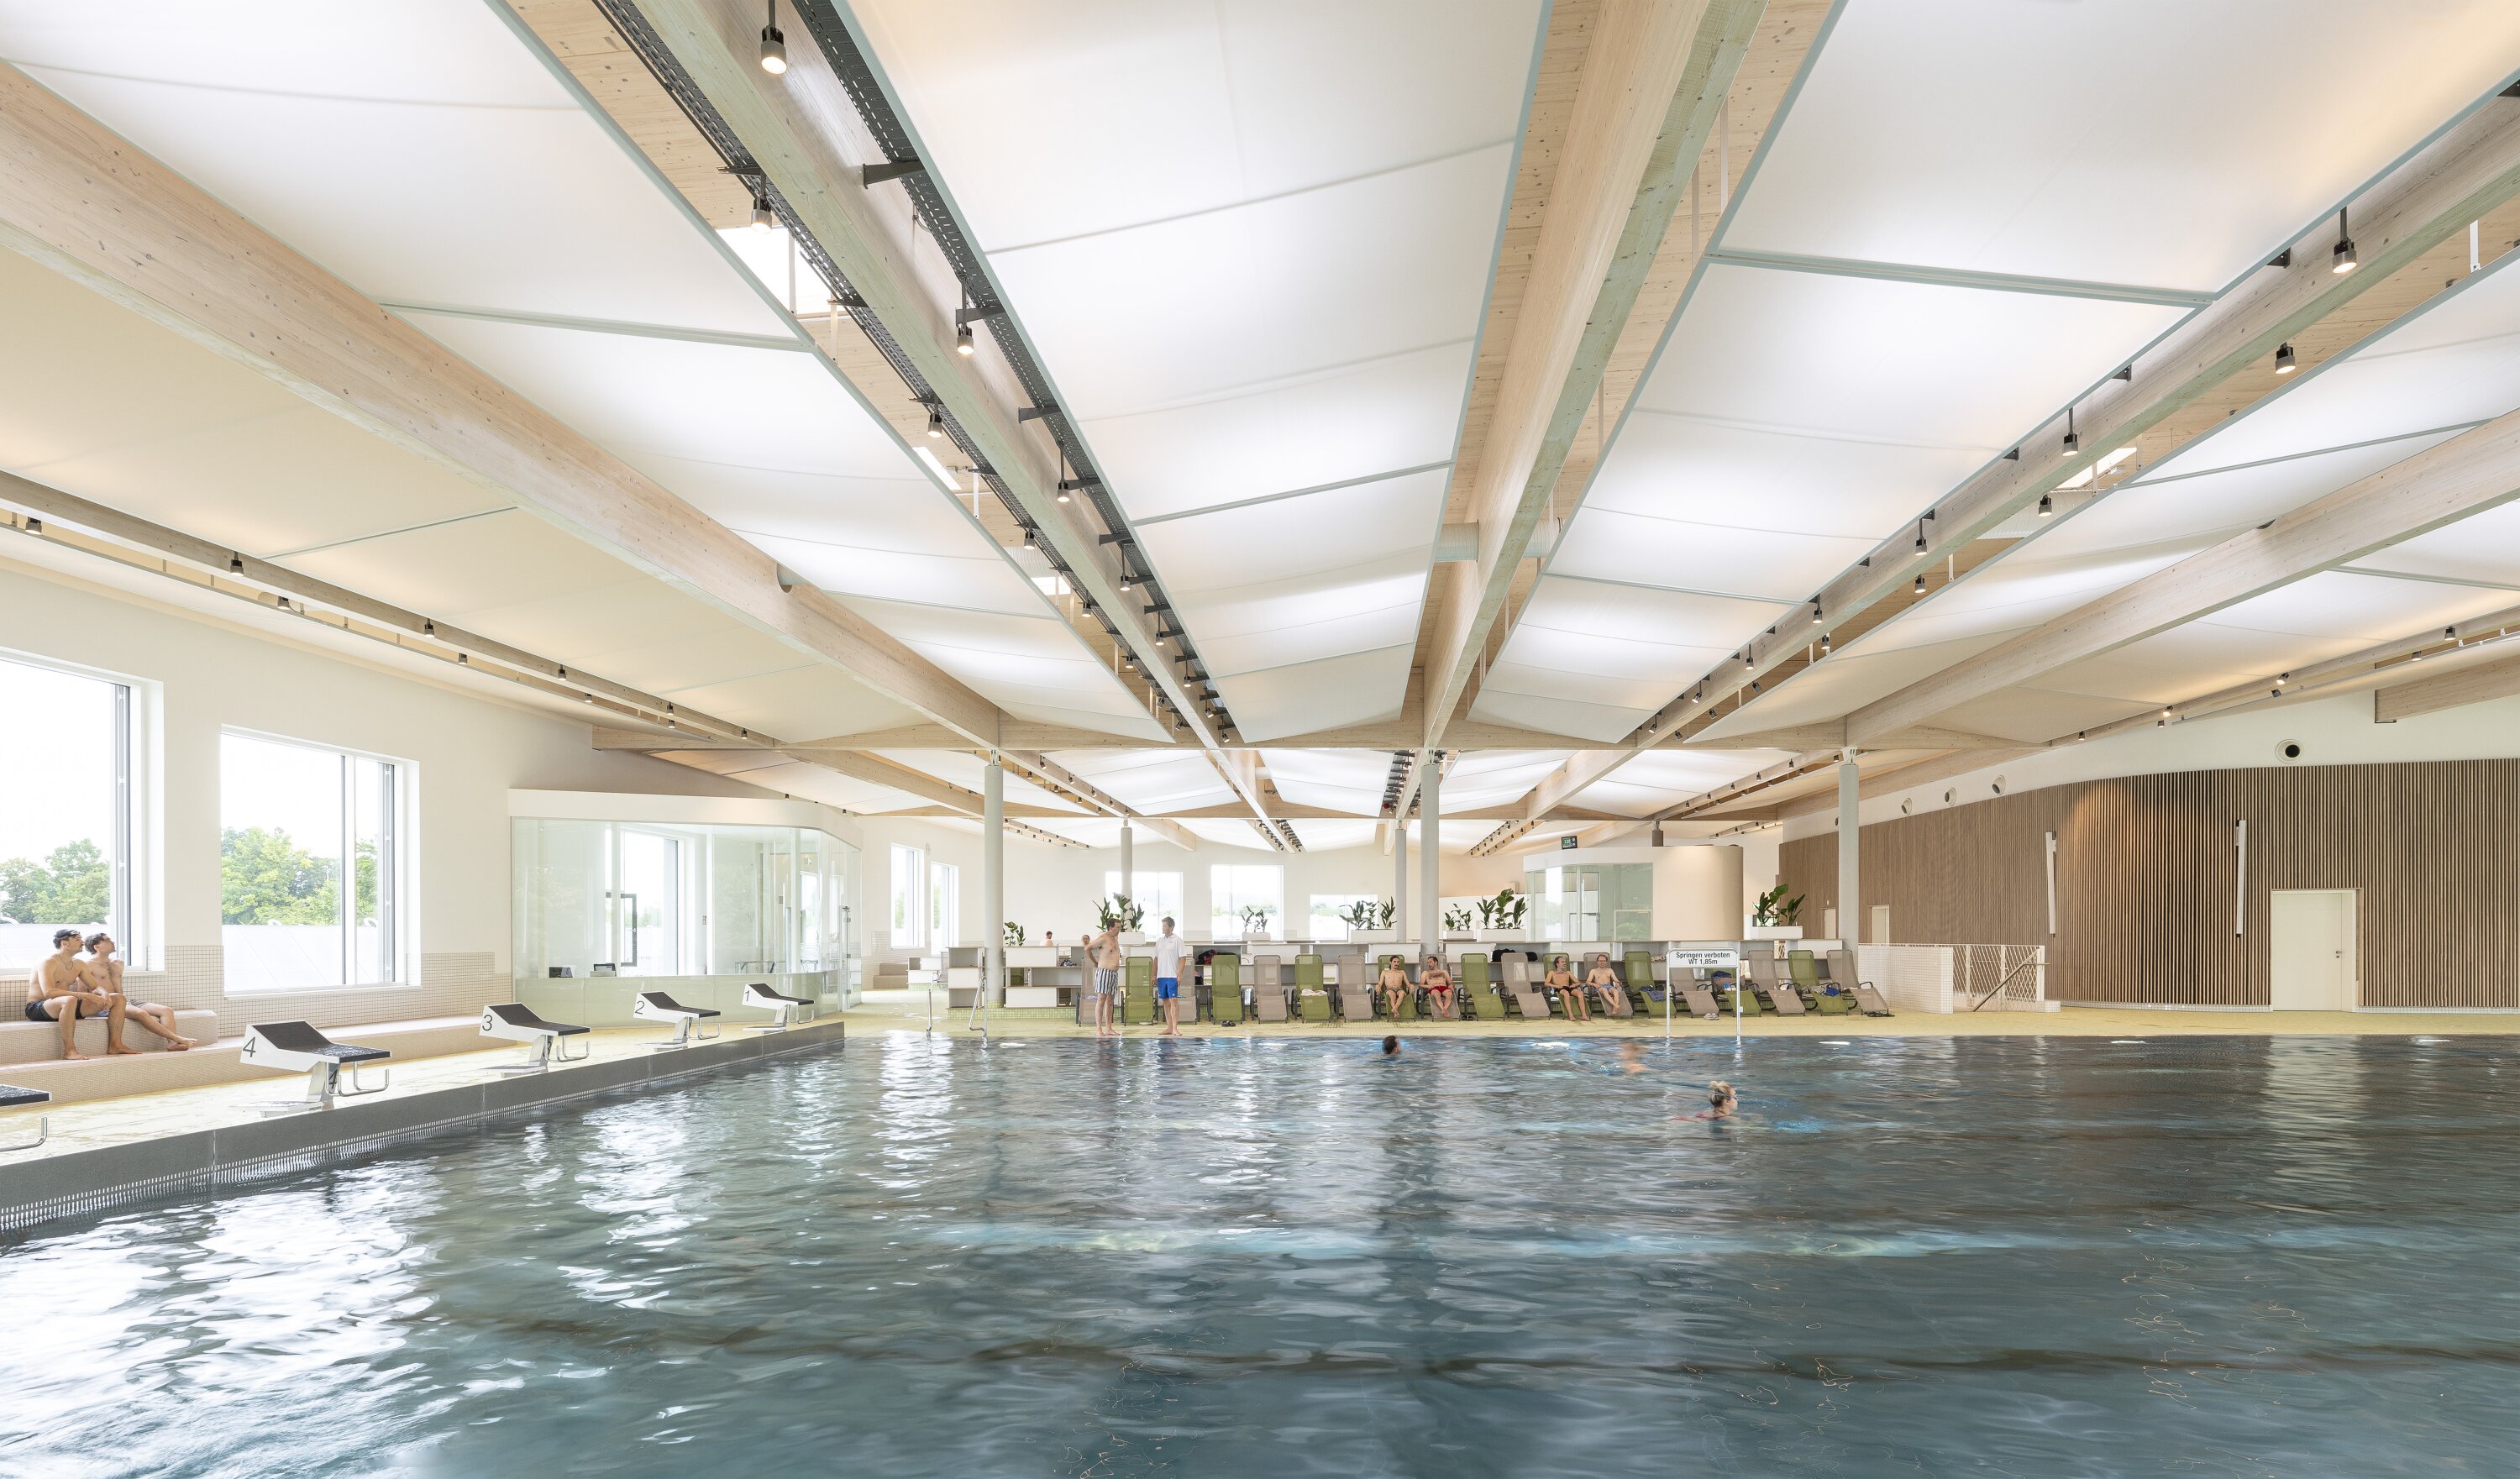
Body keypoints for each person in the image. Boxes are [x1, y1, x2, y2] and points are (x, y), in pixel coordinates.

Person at [24, 927, 126, 1060]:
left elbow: (95, 987)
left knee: (118, 998)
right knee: (69, 1000)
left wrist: (104, 993)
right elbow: (49, 992)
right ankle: (69, 1051)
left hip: (65, 1006)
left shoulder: (79, 964)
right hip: (39, 1007)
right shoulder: (48, 962)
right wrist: (86, 995)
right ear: (64, 943)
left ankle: (115, 1045)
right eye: (77, 939)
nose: (82, 942)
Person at [80, 932, 194, 1051]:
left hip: (126, 1001)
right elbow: (83, 992)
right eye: (108, 941)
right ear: (97, 947)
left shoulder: (118, 963)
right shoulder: (87, 966)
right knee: (140, 1013)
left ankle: (172, 1044)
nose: (113, 942)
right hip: (107, 1005)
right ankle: (177, 1038)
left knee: (166, 1010)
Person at [1151, 915, 1187, 1037]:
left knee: (1174, 1000)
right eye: (1162, 926)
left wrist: (1179, 975)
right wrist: (1153, 975)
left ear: (1171, 927)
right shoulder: (1159, 941)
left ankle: (1175, 1028)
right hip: (1161, 976)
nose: (1163, 928)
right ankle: (1169, 1027)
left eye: (1165, 926)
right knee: (1165, 1001)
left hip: (1172, 975)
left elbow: (1183, 959)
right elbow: (1156, 959)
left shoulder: (1178, 940)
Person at [1089, 920, 1122, 1038]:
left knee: (1110, 1001)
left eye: (1120, 927)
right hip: (1104, 972)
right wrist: (1095, 963)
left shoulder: (1116, 939)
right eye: (1117, 927)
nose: (1119, 929)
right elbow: (1088, 948)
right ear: (1110, 928)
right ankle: (1099, 1029)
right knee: (1101, 1000)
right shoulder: (1103, 938)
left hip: (1114, 973)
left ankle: (1109, 1028)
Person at [1545, 953, 1588, 1023]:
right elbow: (1546, 983)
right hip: (1558, 988)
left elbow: (1578, 982)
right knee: (1566, 993)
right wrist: (1555, 986)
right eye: (1562, 962)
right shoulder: (1552, 973)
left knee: (1580, 993)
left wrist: (1574, 985)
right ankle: (1570, 1014)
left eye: (1565, 962)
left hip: (1568, 987)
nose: (1564, 963)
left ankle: (1584, 1015)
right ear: (1557, 964)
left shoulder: (1568, 973)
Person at [1584, 952, 1625, 1016]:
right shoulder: (1593, 971)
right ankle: (1616, 1005)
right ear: (1597, 962)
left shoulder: (1610, 970)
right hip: (1599, 987)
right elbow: (1587, 982)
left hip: (1609, 987)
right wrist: (1594, 984)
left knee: (1616, 991)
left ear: (1606, 962)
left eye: (1604, 961)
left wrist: (1618, 983)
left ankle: (1614, 1009)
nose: (1602, 962)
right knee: (1604, 990)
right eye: (1600, 961)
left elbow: (1616, 980)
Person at [1376, 954, 1412, 1018]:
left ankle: (1395, 1009)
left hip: (1399, 989)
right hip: (1390, 989)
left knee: (1402, 993)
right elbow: (1380, 983)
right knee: (1393, 995)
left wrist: (1411, 986)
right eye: (1394, 962)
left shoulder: (1402, 972)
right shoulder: (1384, 972)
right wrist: (1378, 986)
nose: (1396, 963)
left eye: (1398, 962)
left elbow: (1408, 984)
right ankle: (1396, 1011)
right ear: (1390, 962)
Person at [1420, 954, 1455, 1019]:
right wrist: (1428, 986)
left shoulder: (1444, 972)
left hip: (1444, 987)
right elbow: (1421, 984)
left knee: (1449, 994)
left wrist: (1451, 986)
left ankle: (1445, 1009)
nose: (1428, 964)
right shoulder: (1425, 973)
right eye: (1428, 963)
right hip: (1433, 988)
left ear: (1436, 962)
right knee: (1437, 994)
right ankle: (1444, 1010)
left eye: (1430, 962)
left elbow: (1450, 983)